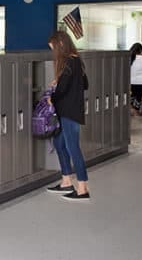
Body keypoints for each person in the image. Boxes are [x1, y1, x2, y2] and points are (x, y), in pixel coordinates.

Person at [45, 30, 90, 201]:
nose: (53, 52)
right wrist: (60, 80)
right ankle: (66, 181)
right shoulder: (76, 60)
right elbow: (85, 84)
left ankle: (82, 188)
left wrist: (51, 98)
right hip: (70, 111)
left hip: (69, 112)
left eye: (54, 48)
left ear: (61, 45)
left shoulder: (69, 62)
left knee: (73, 148)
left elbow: (62, 91)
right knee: (59, 143)